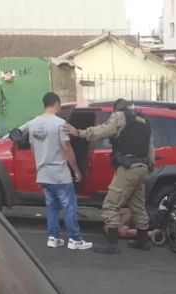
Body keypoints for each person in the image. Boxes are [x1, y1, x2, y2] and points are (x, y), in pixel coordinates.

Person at [64, 98, 154, 254]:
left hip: (128, 167)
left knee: (110, 204)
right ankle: (143, 240)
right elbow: (150, 148)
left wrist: (79, 133)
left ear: (116, 109)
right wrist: (148, 167)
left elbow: (103, 131)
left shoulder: (120, 116)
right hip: (142, 167)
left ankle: (112, 244)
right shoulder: (144, 121)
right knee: (138, 205)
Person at [28, 92, 92, 250]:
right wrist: (76, 170)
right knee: (69, 206)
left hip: (43, 172)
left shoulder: (33, 124)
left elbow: (33, 148)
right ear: (56, 104)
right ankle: (75, 240)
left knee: (51, 207)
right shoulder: (59, 123)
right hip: (59, 174)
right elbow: (66, 147)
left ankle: (53, 237)